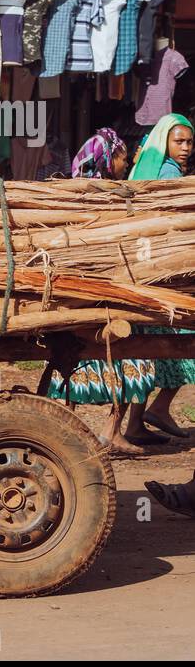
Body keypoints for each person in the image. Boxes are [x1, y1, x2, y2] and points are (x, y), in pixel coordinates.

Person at [46, 128, 160, 452]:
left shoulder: (76, 193)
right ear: (108, 158)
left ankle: (103, 431)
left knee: (78, 361)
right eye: (123, 156)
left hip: (85, 298)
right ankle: (104, 431)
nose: (128, 162)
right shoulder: (106, 196)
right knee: (126, 357)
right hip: (100, 296)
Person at [129, 114, 195, 440]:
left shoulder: (148, 168)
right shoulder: (169, 174)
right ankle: (158, 409)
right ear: (165, 142)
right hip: (167, 274)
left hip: (146, 271)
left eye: (189, 142)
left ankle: (135, 423)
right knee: (177, 345)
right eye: (178, 141)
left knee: (146, 350)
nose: (185, 148)